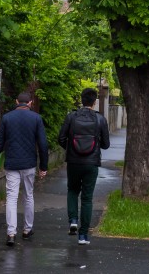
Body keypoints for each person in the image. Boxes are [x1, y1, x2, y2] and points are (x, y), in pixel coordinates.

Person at [0, 91, 48, 247]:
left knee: (11, 197)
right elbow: (43, 144)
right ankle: (27, 230)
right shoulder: (36, 118)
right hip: (29, 164)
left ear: (17, 102)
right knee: (28, 195)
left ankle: (11, 233)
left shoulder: (7, 118)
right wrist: (43, 166)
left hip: (11, 164)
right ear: (30, 103)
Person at [58, 87, 110, 246]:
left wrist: (71, 148)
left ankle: (73, 219)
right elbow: (106, 145)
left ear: (81, 100)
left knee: (72, 190)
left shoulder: (71, 117)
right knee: (87, 198)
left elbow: (61, 138)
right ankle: (83, 235)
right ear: (95, 102)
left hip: (73, 162)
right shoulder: (100, 119)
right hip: (91, 163)